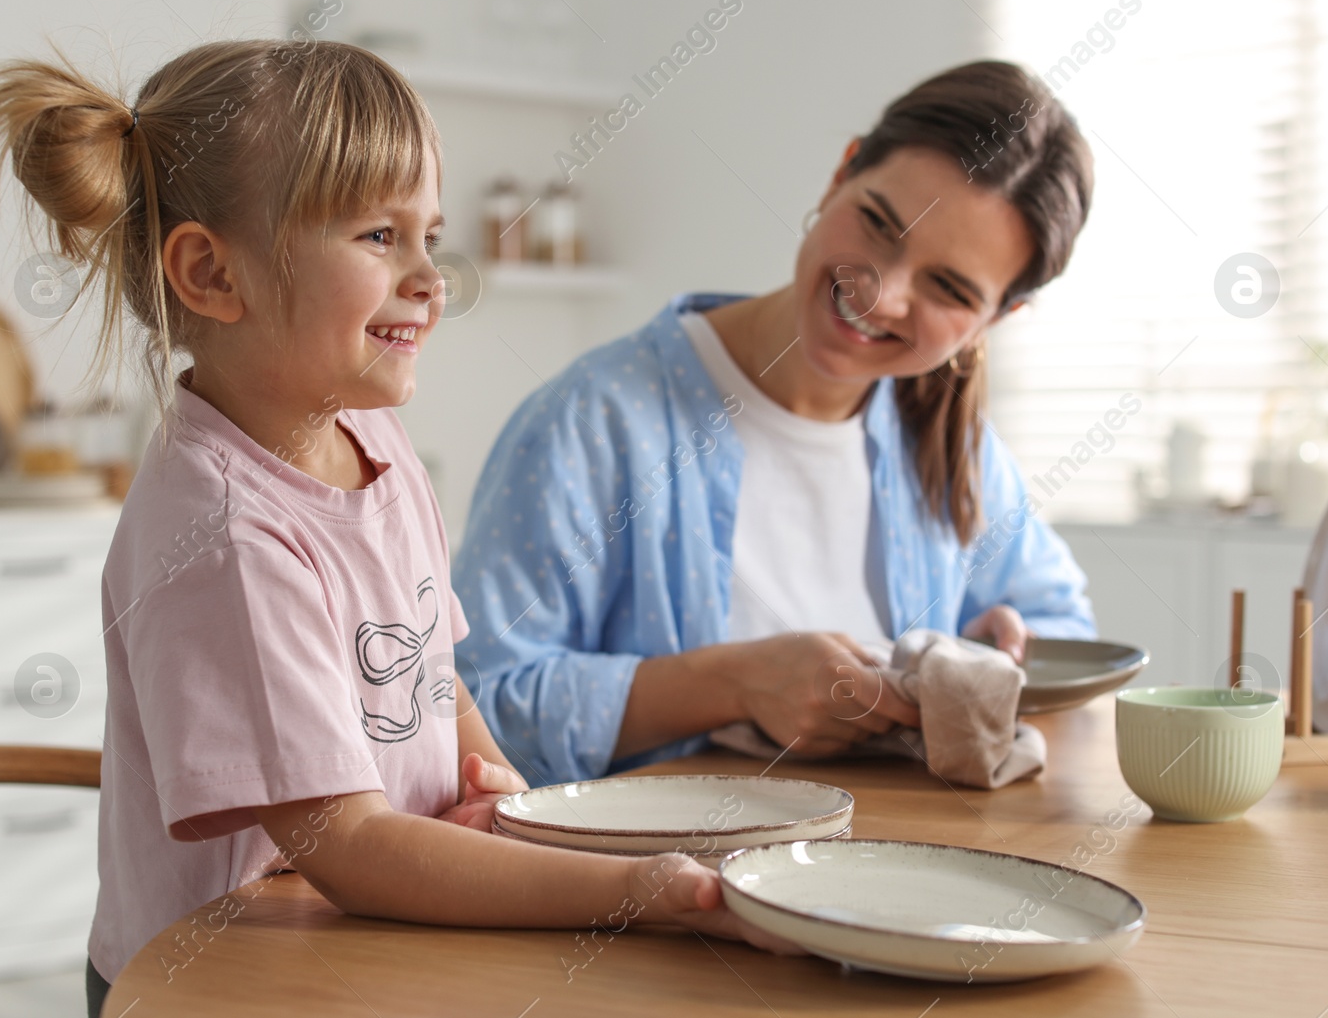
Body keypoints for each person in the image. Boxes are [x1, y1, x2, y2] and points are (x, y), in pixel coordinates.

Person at [0, 38, 787, 1018]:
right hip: (227, 984)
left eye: (429, 235)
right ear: (212, 274)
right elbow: (347, 846)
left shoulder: (373, 439)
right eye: (378, 237)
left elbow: (436, 672)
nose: (432, 276)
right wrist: (627, 890)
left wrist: (499, 787)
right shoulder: (225, 537)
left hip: (362, 937)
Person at [454, 60, 1099, 789]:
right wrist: (735, 681)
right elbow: (478, 709)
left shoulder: (955, 447)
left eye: (947, 287)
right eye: (880, 224)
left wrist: (997, 649)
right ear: (840, 174)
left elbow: (1063, 630)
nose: (880, 294)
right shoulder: (594, 422)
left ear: (997, 318)